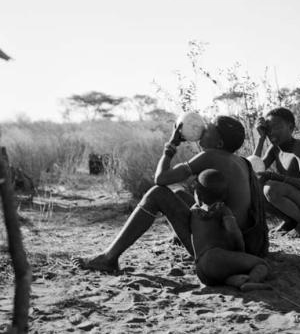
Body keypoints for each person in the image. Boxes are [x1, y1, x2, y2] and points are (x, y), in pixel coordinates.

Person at [73, 115, 268, 273]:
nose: (203, 130)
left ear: (218, 143)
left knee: (157, 194)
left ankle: (109, 258)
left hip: (217, 249)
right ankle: (178, 238)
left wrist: (171, 145)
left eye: (208, 129)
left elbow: (160, 178)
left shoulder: (210, 156)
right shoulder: (241, 161)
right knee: (180, 193)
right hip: (241, 244)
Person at [190, 168, 271, 291]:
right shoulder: (222, 209)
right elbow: (233, 231)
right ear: (225, 195)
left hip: (201, 271)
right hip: (216, 257)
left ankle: (234, 280)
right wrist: (240, 251)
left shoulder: (193, 212)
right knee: (261, 264)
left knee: (226, 271)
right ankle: (252, 281)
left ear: (198, 194)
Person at [253, 107, 300, 237]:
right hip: (299, 203)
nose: (272, 132)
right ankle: (290, 221)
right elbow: (254, 169)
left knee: (271, 188)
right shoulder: (274, 149)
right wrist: (261, 138)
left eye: (277, 127)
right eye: (269, 128)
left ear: (291, 128)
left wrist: (276, 177)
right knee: (254, 186)